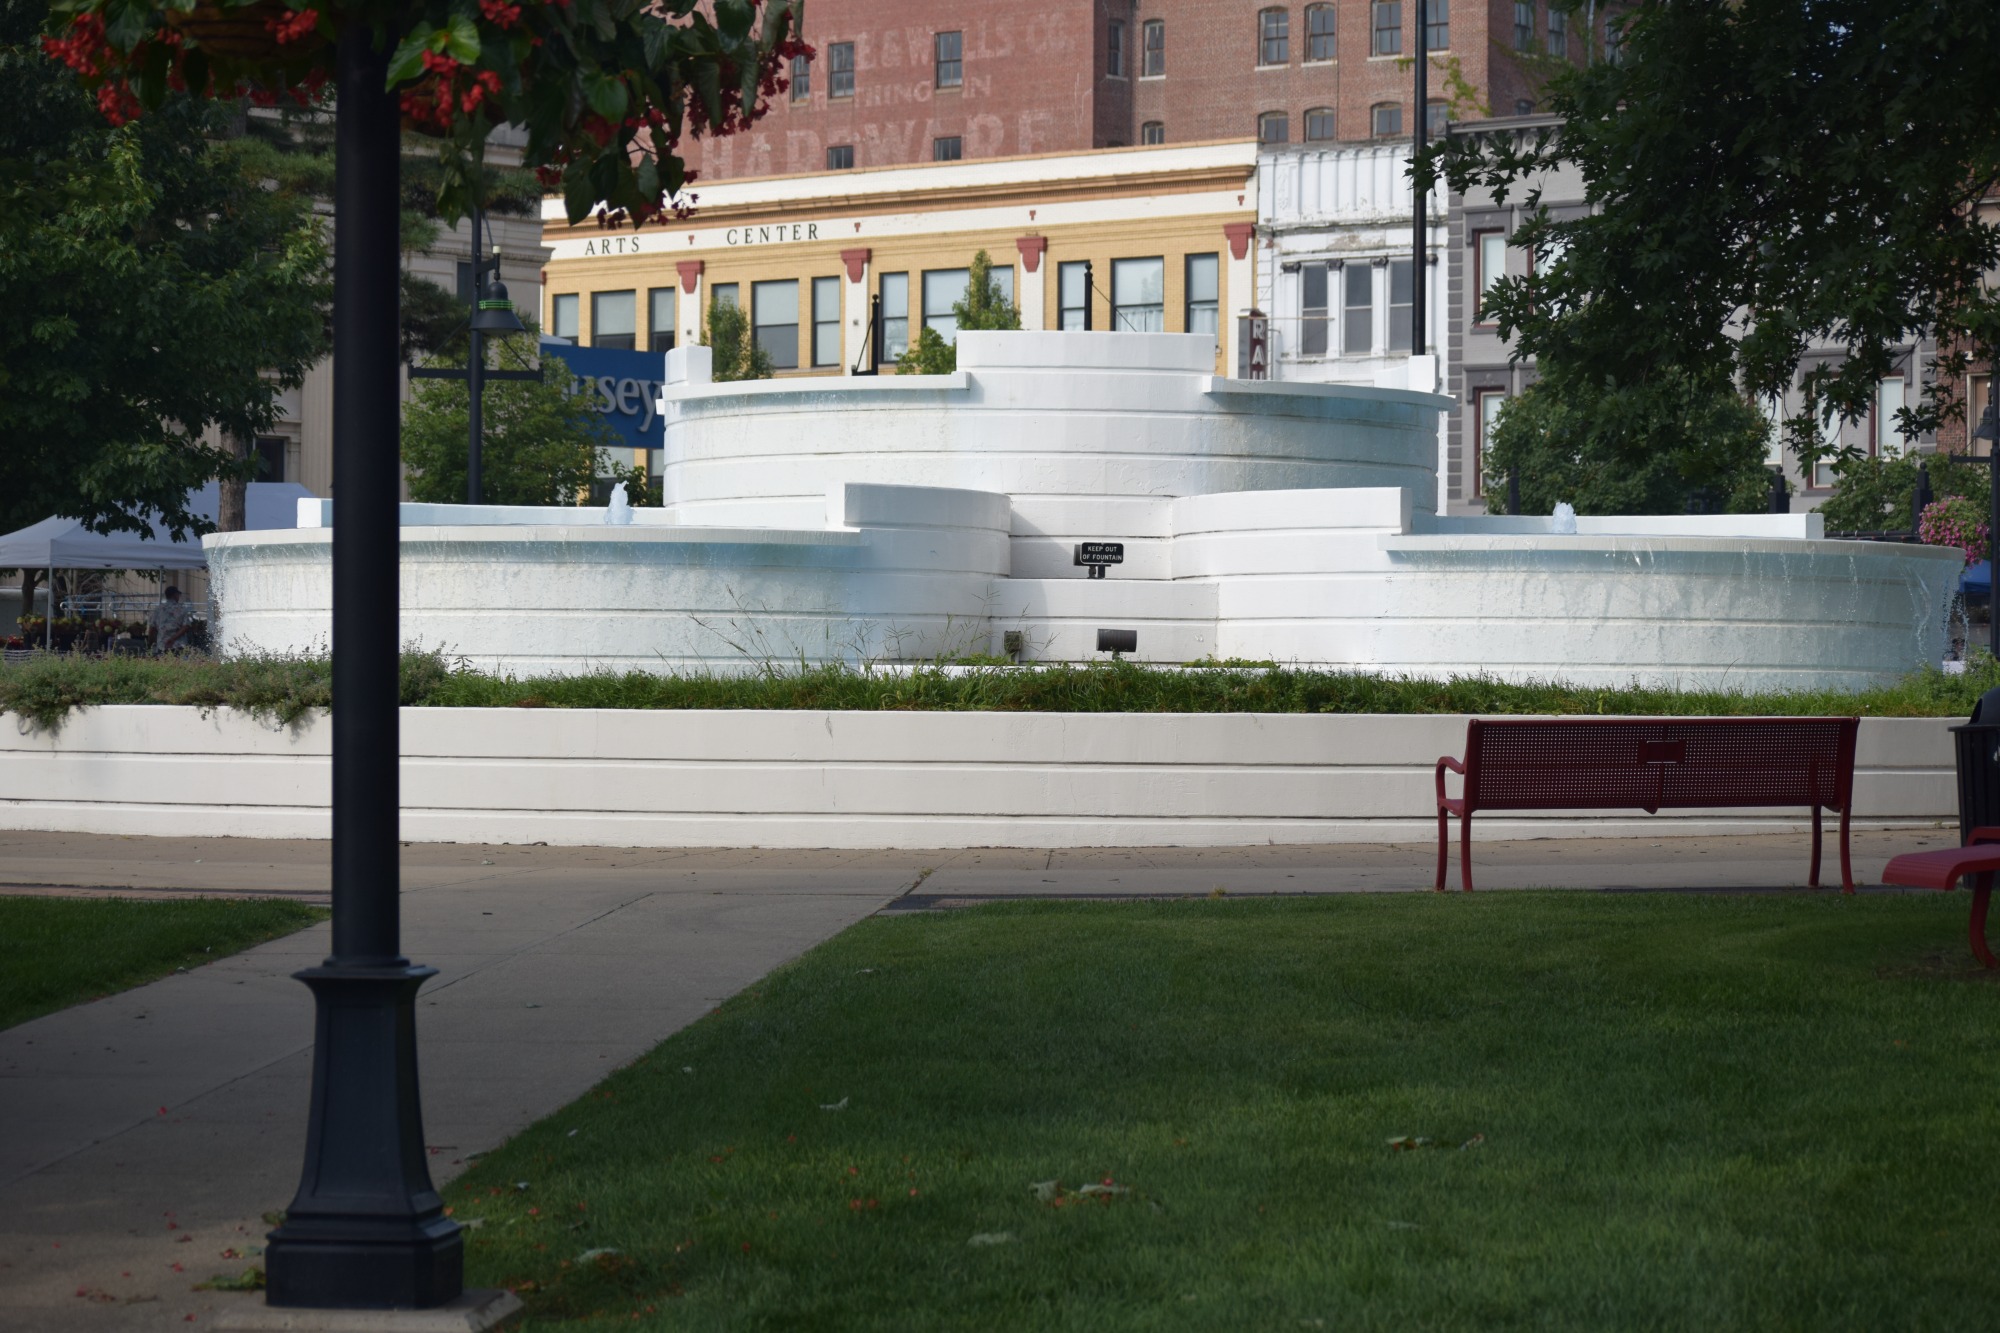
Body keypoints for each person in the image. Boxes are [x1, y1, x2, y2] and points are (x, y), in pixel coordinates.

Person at [148, 587, 193, 654]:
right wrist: (173, 638)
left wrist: (150, 643)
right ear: (175, 595)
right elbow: (186, 626)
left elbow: (152, 628)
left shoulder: (158, 609)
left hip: (162, 645)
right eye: (178, 595)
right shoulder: (181, 609)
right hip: (178, 645)